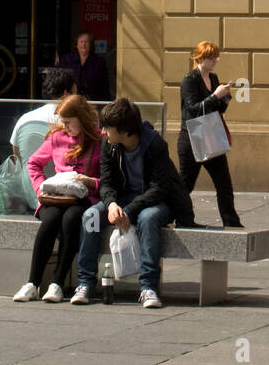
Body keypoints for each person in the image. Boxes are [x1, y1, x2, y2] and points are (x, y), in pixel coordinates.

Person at [71, 97, 198, 307]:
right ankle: (85, 283)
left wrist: (129, 210)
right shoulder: (109, 145)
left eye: (107, 128)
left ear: (123, 130)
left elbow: (160, 187)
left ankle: (148, 287)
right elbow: (107, 181)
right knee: (90, 216)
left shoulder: (154, 144)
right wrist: (111, 205)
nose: (102, 132)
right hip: (121, 199)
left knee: (148, 219)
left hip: (156, 200)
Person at [13, 94, 104, 303]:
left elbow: (107, 179)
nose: (65, 127)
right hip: (56, 196)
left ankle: (57, 283)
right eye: (63, 122)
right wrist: (39, 189)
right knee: (51, 219)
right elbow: (33, 163)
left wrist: (91, 182)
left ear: (81, 118)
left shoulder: (99, 140)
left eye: (68, 122)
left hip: (84, 198)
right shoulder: (56, 137)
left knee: (71, 219)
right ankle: (32, 283)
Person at [177, 41, 243, 228]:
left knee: (224, 182)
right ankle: (180, 217)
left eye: (216, 56)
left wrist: (224, 97)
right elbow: (192, 111)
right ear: (200, 58)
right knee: (186, 184)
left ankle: (231, 222)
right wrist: (215, 96)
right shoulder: (189, 80)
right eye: (212, 56)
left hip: (210, 137)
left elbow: (217, 109)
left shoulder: (213, 78)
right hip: (192, 138)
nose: (216, 60)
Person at [9, 68, 78, 163]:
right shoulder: (76, 123)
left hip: (29, 177)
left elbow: (17, 158)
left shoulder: (24, 119)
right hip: (65, 177)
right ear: (66, 94)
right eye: (75, 94)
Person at [59, 33, 111, 102]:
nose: (83, 45)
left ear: (90, 44)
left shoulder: (99, 62)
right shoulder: (66, 59)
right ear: (77, 45)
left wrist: (106, 102)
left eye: (86, 42)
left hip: (93, 101)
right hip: (71, 102)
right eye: (81, 42)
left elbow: (104, 85)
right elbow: (61, 81)